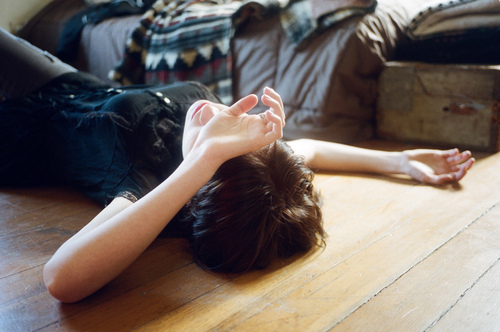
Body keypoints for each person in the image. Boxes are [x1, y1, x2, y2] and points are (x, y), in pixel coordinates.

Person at [0, 28, 474, 303]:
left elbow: (61, 278)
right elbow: (306, 150)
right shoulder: (224, 144)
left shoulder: (148, 181)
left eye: (220, 149)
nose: (225, 118)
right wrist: (400, 160)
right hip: (72, 84)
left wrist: (201, 156)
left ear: (202, 178)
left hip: (20, 121)